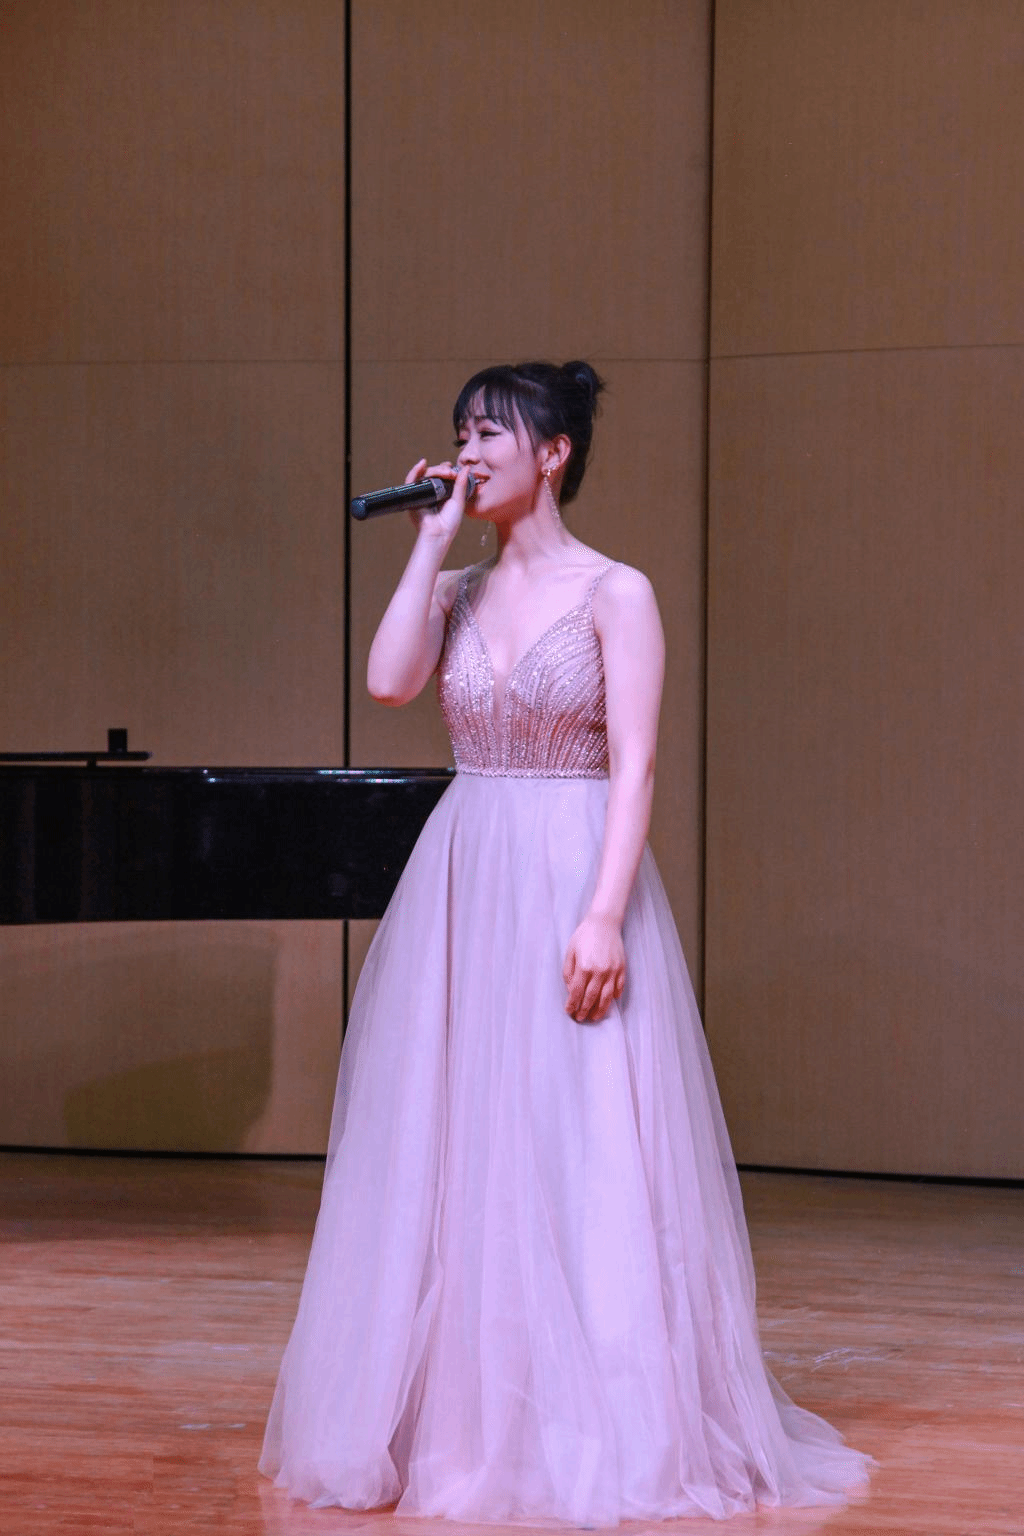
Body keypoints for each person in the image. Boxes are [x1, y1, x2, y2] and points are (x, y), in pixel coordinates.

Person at [260, 361, 872, 1524]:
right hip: (467, 869)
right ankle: (462, 1415)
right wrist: (428, 546)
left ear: (554, 453)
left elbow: (635, 764)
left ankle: (605, 1420)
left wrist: (602, 913)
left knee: (577, 1135)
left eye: (491, 433)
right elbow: (388, 683)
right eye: (460, 432)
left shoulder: (616, 592)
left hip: (571, 865)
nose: (467, 450)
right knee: (461, 1138)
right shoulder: (458, 587)